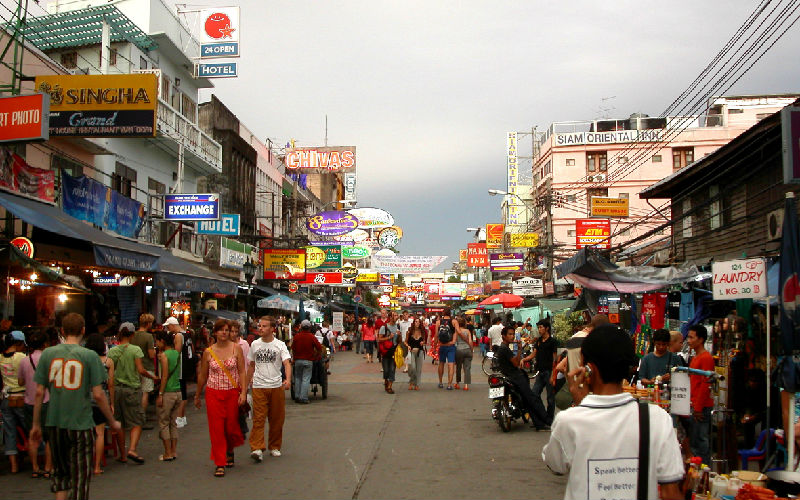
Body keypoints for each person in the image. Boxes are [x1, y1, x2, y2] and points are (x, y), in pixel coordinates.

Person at [542, 324, 684, 500]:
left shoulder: (569, 421)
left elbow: (556, 466)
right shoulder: (657, 419)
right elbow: (671, 493)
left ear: (588, 368)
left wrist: (580, 404)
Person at [29, 313, 121, 500]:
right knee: (80, 478)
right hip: (81, 423)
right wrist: (112, 420)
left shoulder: (48, 354)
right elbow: (98, 394)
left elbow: (39, 392)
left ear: (62, 331)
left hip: (54, 422)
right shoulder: (89, 356)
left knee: (60, 475)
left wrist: (36, 424)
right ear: (83, 330)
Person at [194, 319, 246, 477]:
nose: (224, 332)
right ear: (215, 332)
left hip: (232, 393)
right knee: (216, 429)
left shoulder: (236, 349)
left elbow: (242, 371)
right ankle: (219, 462)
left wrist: (243, 392)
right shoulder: (208, 352)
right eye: (221, 330)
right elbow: (203, 375)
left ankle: (229, 449)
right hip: (213, 393)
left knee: (230, 427)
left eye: (227, 330)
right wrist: (197, 395)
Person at [107, 322, 158, 464]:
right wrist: (152, 377)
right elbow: (141, 370)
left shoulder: (113, 351)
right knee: (137, 421)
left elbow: (110, 374)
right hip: (132, 389)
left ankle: (123, 455)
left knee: (120, 422)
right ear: (132, 335)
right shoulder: (135, 350)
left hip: (117, 389)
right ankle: (132, 449)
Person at [246, 316, 291, 463]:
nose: (260, 328)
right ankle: (257, 448)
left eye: (264, 326)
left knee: (276, 418)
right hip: (259, 386)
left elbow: (287, 363)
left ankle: (275, 446)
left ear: (272, 329)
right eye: (259, 326)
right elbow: (251, 365)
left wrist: (288, 379)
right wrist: (245, 386)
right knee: (258, 418)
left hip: (276, 386)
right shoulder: (255, 344)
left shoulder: (280, 345)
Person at [494, 326, 548, 430]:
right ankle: (545, 420)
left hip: (511, 376)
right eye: (510, 334)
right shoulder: (504, 349)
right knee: (531, 399)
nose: (512, 336)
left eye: (513, 334)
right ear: (504, 336)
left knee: (527, 400)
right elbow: (516, 363)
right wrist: (519, 349)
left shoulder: (504, 348)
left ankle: (539, 422)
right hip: (515, 377)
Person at [17, 330, 54, 477]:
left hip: (29, 402)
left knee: (32, 436)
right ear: (45, 344)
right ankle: (48, 467)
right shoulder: (49, 360)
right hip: (46, 401)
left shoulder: (24, 361)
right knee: (49, 437)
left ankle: (35, 468)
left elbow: (20, 381)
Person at [83, 333, 115, 476]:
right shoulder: (108, 362)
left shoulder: (83, 360)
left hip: (85, 398)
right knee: (100, 433)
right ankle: (97, 466)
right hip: (101, 398)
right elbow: (111, 384)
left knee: (85, 432)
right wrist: (112, 403)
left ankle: (85, 463)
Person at [1, 330, 28, 473]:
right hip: (21, 397)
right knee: (30, 428)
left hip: (6, 398)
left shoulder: (0, 357)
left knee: (9, 432)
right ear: (18, 343)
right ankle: (39, 458)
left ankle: (13, 466)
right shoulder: (21, 357)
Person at [687, 324, 714, 465]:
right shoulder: (695, 357)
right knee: (695, 440)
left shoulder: (706, 358)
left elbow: (705, 385)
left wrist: (698, 408)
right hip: (695, 404)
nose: (689, 341)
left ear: (701, 339)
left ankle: (705, 469)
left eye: (692, 337)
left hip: (701, 406)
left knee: (701, 441)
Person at [154, 331, 182, 462]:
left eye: (157, 341)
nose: (156, 343)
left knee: (164, 423)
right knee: (173, 423)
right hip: (178, 391)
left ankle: (167, 452)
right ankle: (174, 451)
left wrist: (160, 393)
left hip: (168, 392)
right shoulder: (176, 354)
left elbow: (164, 376)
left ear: (162, 341)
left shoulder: (164, 356)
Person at [132, 315, 157, 429]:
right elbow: (151, 354)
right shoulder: (148, 336)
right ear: (148, 323)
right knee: (145, 393)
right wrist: (156, 352)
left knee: (136, 392)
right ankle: (141, 418)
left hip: (134, 367)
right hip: (146, 366)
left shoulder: (133, 335)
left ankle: (134, 417)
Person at [531, 319, 558, 424]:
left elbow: (555, 359)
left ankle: (550, 419)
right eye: (538, 327)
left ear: (547, 328)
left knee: (550, 397)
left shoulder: (552, 341)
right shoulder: (538, 341)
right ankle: (543, 416)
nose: (539, 329)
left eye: (541, 327)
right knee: (534, 394)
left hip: (549, 372)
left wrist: (553, 374)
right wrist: (524, 359)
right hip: (540, 372)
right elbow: (534, 354)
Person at [291, 320, 322, 404]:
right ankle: (303, 398)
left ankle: (297, 396)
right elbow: (319, 348)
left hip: (298, 361)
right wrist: (316, 355)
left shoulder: (296, 337)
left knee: (298, 378)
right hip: (308, 361)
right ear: (309, 327)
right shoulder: (311, 337)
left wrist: (294, 358)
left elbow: (293, 348)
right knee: (306, 379)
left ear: (301, 327)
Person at [377, 312, 400, 393]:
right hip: (386, 350)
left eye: (397, 315)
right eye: (395, 315)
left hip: (394, 350)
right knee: (386, 370)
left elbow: (399, 340)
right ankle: (386, 380)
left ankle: (390, 386)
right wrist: (389, 337)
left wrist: (399, 335)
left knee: (392, 369)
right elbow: (379, 339)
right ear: (390, 317)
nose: (397, 317)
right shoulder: (384, 327)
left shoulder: (398, 326)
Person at [453, 317, 473, 391]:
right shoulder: (467, 331)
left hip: (459, 350)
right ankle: (466, 385)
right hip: (467, 349)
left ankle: (457, 383)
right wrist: (471, 350)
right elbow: (470, 341)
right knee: (467, 368)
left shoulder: (456, 331)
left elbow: (454, 342)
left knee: (458, 367)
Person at [405, 318, 425, 391]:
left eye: (419, 322)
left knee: (418, 369)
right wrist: (408, 346)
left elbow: (425, 340)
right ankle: (411, 381)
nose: (417, 323)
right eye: (416, 322)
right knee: (412, 368)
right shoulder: (410, 331)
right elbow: (405, 342)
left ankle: (416, 384)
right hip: (411, 352)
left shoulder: (422, 332)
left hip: (420, 352)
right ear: (414, 323)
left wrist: (423, 342)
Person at [437, 317, 457, 390]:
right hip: (451, 346)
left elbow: (436, 335)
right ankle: (449, 384)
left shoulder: (439, 322)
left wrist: (435, 347)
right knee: (451, 364)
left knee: (441, 363)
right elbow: (456, 335)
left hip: (442, 346)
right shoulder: (454, 322)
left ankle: (440, 382)